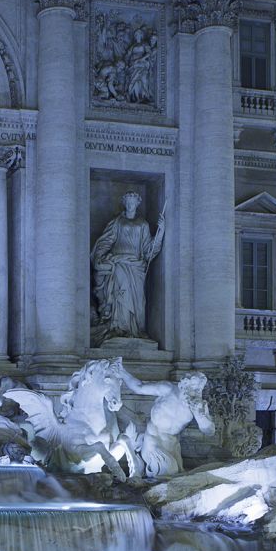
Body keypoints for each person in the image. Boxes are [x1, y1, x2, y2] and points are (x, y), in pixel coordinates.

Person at [91, 191, 166, 344]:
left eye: (134, 202)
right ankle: (119, 327)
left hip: (136, 266)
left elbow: (148, 250)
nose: (131, 205)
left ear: (138, 204)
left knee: (137, 300)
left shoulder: (143, 224)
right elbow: (105, 241)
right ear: (124, 203)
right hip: (119, 263)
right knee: (120, 296)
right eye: (128, 202)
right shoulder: (117, 222)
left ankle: (135, 329)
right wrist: (100, 256)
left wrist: (161, 232)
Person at [118, 368, 213, 478]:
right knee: (169, 473)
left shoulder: (198, 406)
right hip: (153, 442)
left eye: (199, 389)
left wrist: (201, 417)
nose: (196, 392)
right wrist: (122, 372)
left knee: (176, 477)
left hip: (172, 447)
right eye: (193, 387)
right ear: (184, 384)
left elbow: (210, 430)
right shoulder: (168, 389)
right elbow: (139, 387)